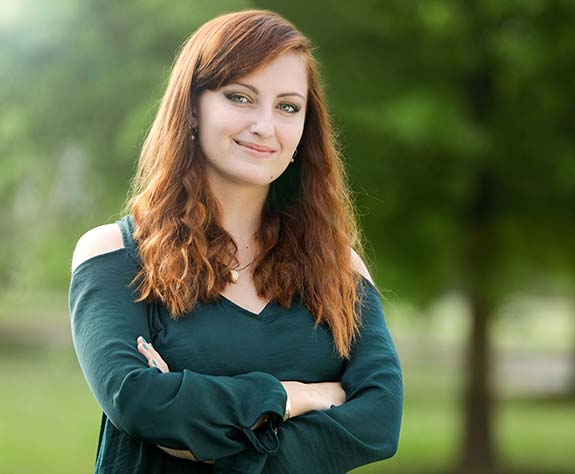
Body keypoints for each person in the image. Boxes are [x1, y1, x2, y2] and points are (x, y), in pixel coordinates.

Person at [68, 9, 403, 474]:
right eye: (240, 97)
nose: (265, 126)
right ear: (191, 108)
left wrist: (201, 424)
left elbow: (380, 422)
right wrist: (295, 396)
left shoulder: (339, 268)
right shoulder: (114, 255)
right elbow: (139, 401)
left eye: (288, 106)